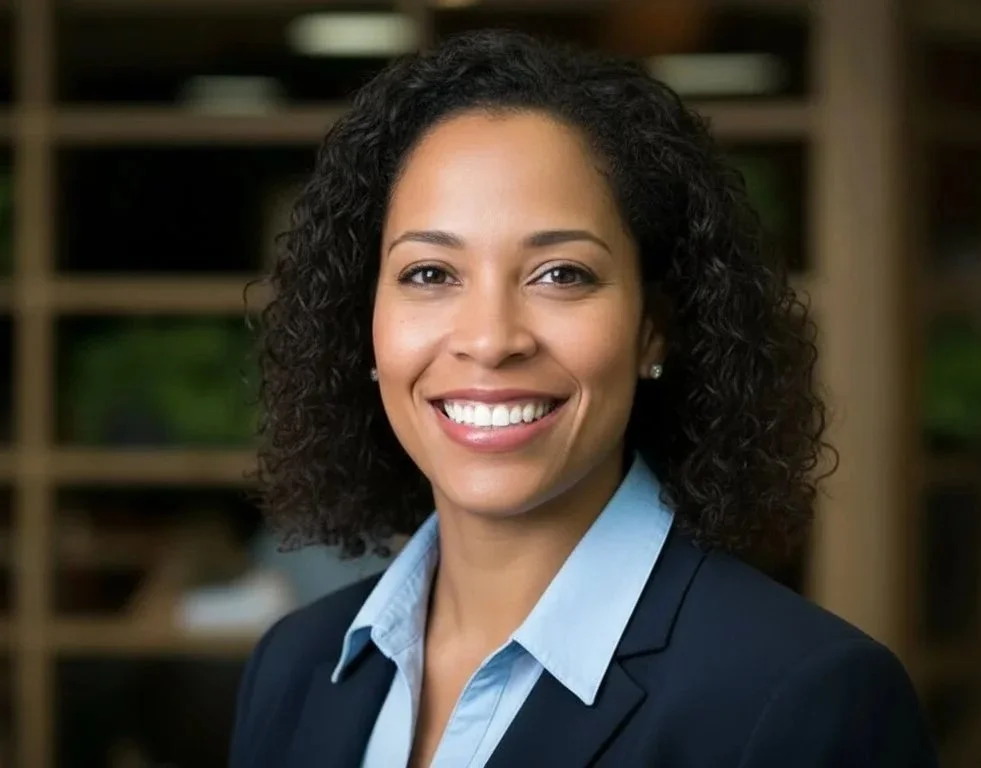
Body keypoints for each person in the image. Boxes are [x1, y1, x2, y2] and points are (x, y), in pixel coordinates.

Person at [231, 29, 938, 768]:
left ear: (652, 330)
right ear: (364, 320)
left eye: (561, 274)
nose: (490, 338)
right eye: (431, 274)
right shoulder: (295, 667)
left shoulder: (804, 700)